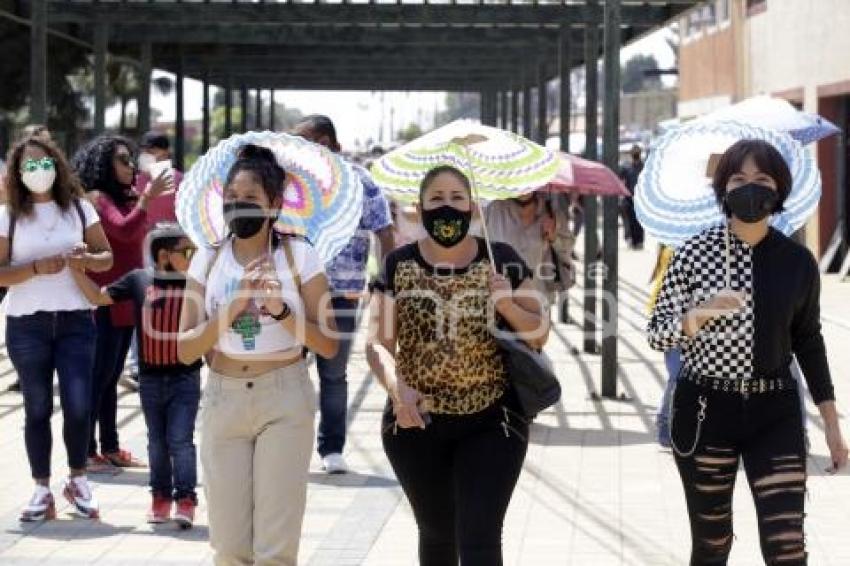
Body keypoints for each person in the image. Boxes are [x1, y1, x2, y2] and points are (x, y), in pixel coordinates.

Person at [648, 139, 849, 565]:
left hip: (774, 409)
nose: (750, 188)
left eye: (762, 179)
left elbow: (809, 341)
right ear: (723, 189)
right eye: (738, 179)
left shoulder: (797, 260)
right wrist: (699, 314)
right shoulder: (692, 254)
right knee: (712, 544)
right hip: (704, 409)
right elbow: (657, 335)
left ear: (779, 191)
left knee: (786, 546)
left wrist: (832, 423)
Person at [367, 165, 550, 566]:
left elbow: (539, 333)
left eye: (456, 199)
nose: (446, 208)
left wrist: (505, 304)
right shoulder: (399, 265)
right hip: (415, 421)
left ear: (472, 206)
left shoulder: (501, 260)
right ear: (419, 207)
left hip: (493, 420)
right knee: (437, 534)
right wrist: (397, 391)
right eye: (436, 199)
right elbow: (377, 344)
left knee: (480, 535)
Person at [177, 144, 338, 565]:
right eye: (231, 198)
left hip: (284, 395)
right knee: (229, 547)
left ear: (274, 205)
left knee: (275, 548)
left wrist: (281, 310)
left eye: (249, 200)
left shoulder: (298, 254)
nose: (237, 206)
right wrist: (230, 310)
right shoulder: (207, 258)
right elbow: (184, 347)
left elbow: (328, 343)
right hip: (224, 397)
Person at [0, 136, 113, 521]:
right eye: (28, 165)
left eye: (43, 163)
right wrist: (33, 268)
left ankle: (78, 479)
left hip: (75, 321)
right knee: (37, 407)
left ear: (57, 164)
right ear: (17, 173)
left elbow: (106, 257)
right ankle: (41, 487)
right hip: (26, 325)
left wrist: (85, 259)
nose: (37, 171)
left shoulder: (80, 210)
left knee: (80, 406)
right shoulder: (9, 215)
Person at [70, 223, 201, 529]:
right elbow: (99, 298)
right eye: (187, 251)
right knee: (156, 442)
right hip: (151, 380)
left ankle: (185, 499)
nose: (193, 256)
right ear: (165, 255)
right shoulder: (138, 280)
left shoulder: (197, 283)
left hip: (186, 378)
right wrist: (77, 270)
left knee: (181, 441)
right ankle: (160, 498)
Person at [293, 115, 394, 474]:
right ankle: (290, 444)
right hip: (295, 293)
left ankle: (331, 449)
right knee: (288, 371)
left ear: (327, 141)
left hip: (343, 295)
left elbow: (384, 232)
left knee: (333, 374)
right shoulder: (294, 184)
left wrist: (386, 279)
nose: (298, 149)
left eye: (304, 140)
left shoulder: (360, 182)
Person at [72, 136, 172, 473]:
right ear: (104, 165)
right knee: (98, 378)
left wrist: (143, 199)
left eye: (132, 160)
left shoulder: (123, 198)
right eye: (123, 160)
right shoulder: (97, 199)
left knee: (110, 378)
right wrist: (146, 198)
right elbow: (125, 231)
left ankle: (110, 445)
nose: (131, 166)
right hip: (103, 303)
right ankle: (85, 450)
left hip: (125, 302)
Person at [480, 190, 575, 315]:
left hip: (539, 299)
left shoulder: (551, 214)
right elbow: (480, 249)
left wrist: (554, 237)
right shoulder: (492, 211)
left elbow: (567, 250)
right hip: (502, 301)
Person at [619, 144, 645, 250]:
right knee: (629, 220)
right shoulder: (626, 167)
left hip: (640, 199)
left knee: (639, 221)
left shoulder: (644, 167)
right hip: (629, 198)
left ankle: (638, 241)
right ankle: (630, 239)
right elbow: (620, 179)